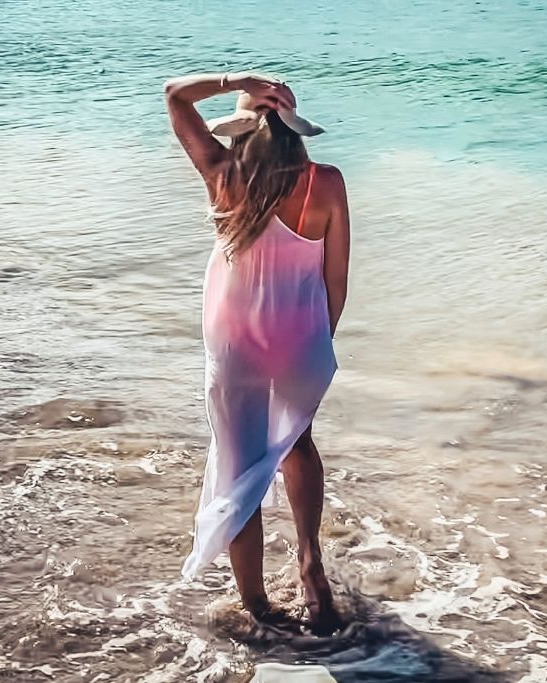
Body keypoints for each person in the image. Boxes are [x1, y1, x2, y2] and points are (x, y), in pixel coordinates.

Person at [164, 72, 350, 635]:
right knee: (298, 443)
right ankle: (310, 562)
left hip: (234, 346)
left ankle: (261, 608)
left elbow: (175, 95)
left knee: (239, 464)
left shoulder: (222, 175)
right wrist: (318, 340)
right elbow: (335, 280)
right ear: (296, 130)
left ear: (240, 130)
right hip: (301, 342)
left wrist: (235, 81)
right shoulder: (328, 183)